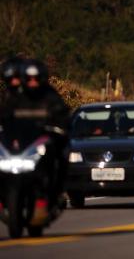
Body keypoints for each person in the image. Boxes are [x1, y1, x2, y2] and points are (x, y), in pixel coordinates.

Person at [0, 57, 70, 224]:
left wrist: (59, 127)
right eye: (28, 79)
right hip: (21, 143)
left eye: (35, 78)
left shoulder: (50, 95)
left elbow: (63, 114)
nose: (32, 82)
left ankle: (52, 195)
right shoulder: (16, 96)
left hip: (41, 142)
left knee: (58, 154)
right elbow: (5, 114)